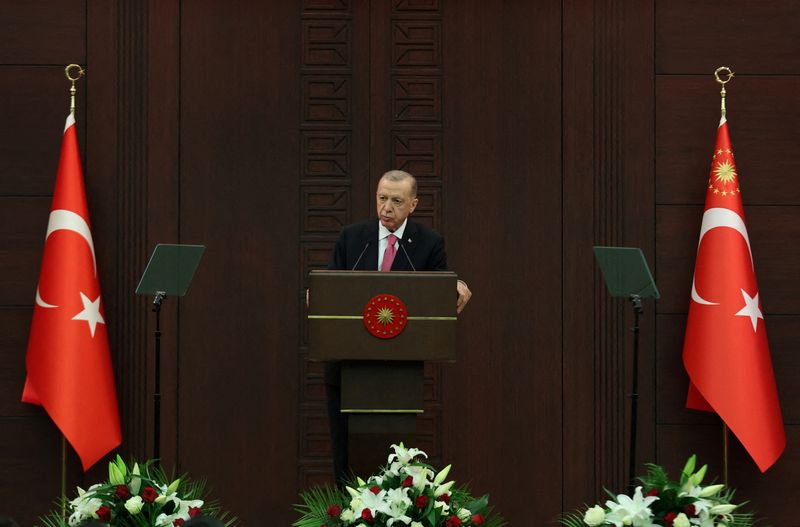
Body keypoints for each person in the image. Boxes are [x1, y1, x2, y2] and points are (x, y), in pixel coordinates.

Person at [325, 169, 472, 484]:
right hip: (349, 366)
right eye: (381, 198)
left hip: (399, 371)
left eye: (396, 201)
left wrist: (455, 284)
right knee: (346, 453)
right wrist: (319, 295)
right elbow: (330, 287)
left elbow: (439, 286)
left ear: (413, 204)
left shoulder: (429, 243)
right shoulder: (352, 238)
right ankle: (346, 504)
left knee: (394, 455)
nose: (386, 208)